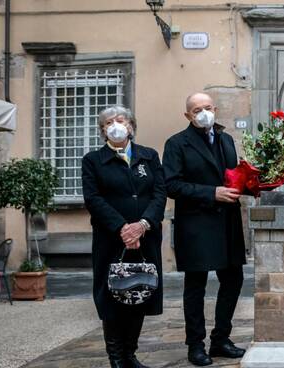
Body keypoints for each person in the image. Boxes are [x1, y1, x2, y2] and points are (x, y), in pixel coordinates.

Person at [162, 92, 247, 366]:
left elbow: (233, 174)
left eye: (208, 108)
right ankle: (195, 345)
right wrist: (212, 193)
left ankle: (221, 338)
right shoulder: (177, 144)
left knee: (233, 281)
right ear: (188, 115)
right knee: (196, 286)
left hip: (227, 223)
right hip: (197, 223)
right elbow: (172, 185)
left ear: (215, 109)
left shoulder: (226, 139)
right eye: (197, 110)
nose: (204, 113)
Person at [82, 106, 167, 368]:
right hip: (111, 239)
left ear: (131, 126)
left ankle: (130, 354)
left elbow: (159, 193)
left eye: (120, 120)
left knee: (140, 292)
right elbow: (93, 199)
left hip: (146, 237)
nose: (115, 125)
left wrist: (142, 225)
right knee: (113, 297)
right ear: (102, 130)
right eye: (109, 122)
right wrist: (123, 228)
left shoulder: (149, 156)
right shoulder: (93, 160)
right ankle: (117, 358)